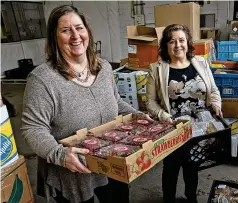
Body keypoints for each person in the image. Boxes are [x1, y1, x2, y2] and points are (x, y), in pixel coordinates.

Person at [21, 5, 150, 203]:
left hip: (111, 156)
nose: (75, 36)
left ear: (87, 31)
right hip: (72, 168)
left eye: (79, 28)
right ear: (54, 38)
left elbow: (116, 102)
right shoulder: (43, 79)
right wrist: (60, 155)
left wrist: (138, 116)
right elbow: (33, 128)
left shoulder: (103, 67)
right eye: (65, 30)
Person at [146, 24, 222, 203]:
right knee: (171, 168)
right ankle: (169, 199)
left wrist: (217, 104)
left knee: (192, 166)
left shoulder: (201, 63)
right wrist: (165, 117)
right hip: (173, 128)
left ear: (187, 42)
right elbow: (150, 102)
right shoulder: (157, 69)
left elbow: (213, 90)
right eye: (172, 41)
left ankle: (191, 198)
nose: (178, 45)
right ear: (165, 45)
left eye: (181, 40)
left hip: (199, 128)